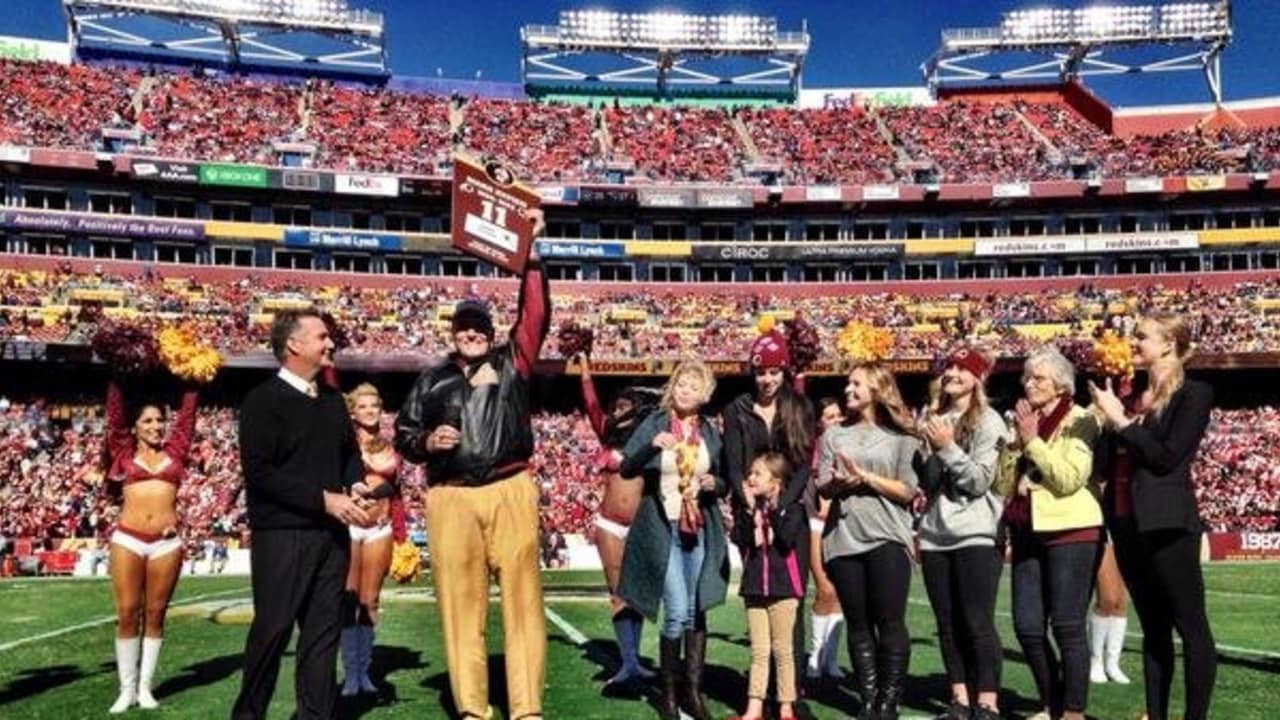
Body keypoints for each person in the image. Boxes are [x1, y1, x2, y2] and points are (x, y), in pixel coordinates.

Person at [394, 209, 550, 720]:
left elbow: (535, 315)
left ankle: (526, 708)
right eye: (463, 326)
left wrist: (532, 252)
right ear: (453, 332)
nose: (471, 333)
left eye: (479, 326)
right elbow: (403, 434)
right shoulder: (432, 378)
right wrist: (426, 443)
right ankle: (471, 707)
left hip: (509, 485)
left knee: (524, 601)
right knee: (461, 607)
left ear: (490, 331)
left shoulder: (512, 364)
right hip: (451, 495)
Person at [231, 309, 371, 720]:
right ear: (293, 344)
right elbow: (260, 474)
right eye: (322, 337)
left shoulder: (331, 401)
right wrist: (324, 500)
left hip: (331, 538)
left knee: (322, 637)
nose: (331, 344)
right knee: (272, 632)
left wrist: (357, 483)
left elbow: (347, 456)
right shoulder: (262, 400)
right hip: (283, 536)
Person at [1090, 313, 1217, 720]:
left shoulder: (1194, 394)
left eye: (1141, 336)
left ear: (1168, 344)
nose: (1133, 342)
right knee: (1153, 629)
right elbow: (1103, 466)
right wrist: (1106, 421)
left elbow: (1166, 458)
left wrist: (1124, 422)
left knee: (1190, 625)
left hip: (1168, 524)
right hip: (1126, 524)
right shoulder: (1129, 397)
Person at [617, 360, 730, 720]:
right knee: (677, 610)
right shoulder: (654, 422)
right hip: (661, 526)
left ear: (704, 395)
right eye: (680, 384)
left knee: (696, 610)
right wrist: (652, 446)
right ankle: (668, 693)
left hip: (697, 527)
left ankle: (692, 692)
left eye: (692, 387)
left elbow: (724, 479)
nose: (684, 391)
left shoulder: (710, 431)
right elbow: (627, 467)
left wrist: (716, 484)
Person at [994, 347, 1102, 720]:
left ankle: (1072, 712)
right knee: (1026, 626)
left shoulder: (1081, 419)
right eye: (1027, 377)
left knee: (1068, 625)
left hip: (1071, 528)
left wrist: (1033, 442)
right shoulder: (1022, 421)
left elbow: (1070, 478)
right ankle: (1051, 702)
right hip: (1026, 529)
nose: (1029, 383)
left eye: (1038, 377)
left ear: (1060, 384)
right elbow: (1002, 485)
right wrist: (1014, 445)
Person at [815, 362, 920, 720]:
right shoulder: (833, 435)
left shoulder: (903, 437)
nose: (848, 389)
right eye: (847, 384)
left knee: (890, 621)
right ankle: (868, 699)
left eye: (856, 384)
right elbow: (821, 488)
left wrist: (866, 478)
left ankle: (889, 701)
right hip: (843, 537)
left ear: (877, 388)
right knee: (858, 623)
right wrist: (837, 484)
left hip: (888, 535)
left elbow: (908, 491)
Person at [721, 324, 815, 701]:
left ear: (785, 371)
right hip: (750, 516)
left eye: (775, 371)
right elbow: (731, 461)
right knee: (761, 595)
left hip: (791, 513)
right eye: (761, 372)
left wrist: (783, 503)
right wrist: (744, 498)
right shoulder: (736, 409)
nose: (767, 379)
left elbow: (805, 463)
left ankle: (790, 693)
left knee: (792, 596)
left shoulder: (800, 407)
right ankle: (762, 690)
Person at [917, 347, 1007, 720]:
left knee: (977, 620)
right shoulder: (934, 416)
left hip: (975, 532)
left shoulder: (989, 421)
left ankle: (987, 701)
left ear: (977, 378)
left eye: (961, 368)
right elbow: (928, 482)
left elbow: (978, 480)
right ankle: (960, 698)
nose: (952, 373)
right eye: (949, 367)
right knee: (946, 621)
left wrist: (946, 446)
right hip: (935, 532)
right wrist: (925, 450)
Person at [102, 376, 198, 714]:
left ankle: (145, 688)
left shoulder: (176, 451)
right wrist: (117, 374)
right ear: (135, 427)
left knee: (156, 614)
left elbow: (188, 416)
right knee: (127, 611)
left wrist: (193, 381)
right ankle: (125, 690)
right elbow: (113, 415)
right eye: (148, 421)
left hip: (166, 543)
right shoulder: (122, 451)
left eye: (160, 420)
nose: (156, 426)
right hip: (128, 538)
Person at [575, 352, 661, 691]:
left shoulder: (648, 437)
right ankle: (627, 663)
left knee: (637, 594)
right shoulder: (606, 435)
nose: (616, 411)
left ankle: (635, 659)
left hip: (640, 525)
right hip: (610, 524)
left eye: (624, 406)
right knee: (619, 593)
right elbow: (590, 401)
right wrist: (584, 366)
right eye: (616, 406)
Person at [729, 452, 808, 720]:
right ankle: (753, 708)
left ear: (775, 482)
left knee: (782, 650)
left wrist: (772, 514)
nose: (750, 478)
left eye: (757, 474)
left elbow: (786, 541)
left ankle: (786, 707)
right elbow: (739, 539)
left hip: (784, 589)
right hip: (754, 589)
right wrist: (750, 511)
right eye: (750, 473)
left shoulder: (793, 509)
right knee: (759, 651)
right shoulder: (750, 509)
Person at [340, 383, 402, 697]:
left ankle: (364, 672)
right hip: (350, 526)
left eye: (374, 406)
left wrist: (402, 533)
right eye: (362, 406)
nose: (369, 411)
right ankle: (349, 673)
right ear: (352, 411)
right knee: (348, 600)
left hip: (381, 525)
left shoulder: (391, 445)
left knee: (371, 600)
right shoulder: (344, 442)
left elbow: (395, 487)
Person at [806, 397, 846, 686]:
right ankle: (815, 655)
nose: (836, 420)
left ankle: (831, 658)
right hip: (815, 521)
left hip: (842, 522)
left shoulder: (847, 445)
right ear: (820, 422)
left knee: (841, 594)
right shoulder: (814, 449)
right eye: (829, 416)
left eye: (838, 415)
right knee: (823, 588)